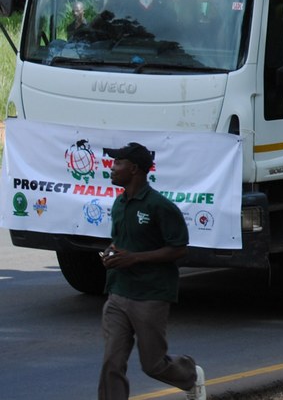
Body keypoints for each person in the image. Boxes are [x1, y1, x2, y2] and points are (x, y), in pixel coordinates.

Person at [98, 142, 205, 400]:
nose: (111, 169)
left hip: (150, 294)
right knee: (112, 362)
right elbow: (119, 241)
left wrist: (134, 258)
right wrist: (111, 254)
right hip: (118, 293)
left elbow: (179, 249)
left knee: (153, 364)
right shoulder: (120, 203)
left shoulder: (160, 206)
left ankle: (191, 375)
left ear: (134, 169)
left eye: (118, 164)